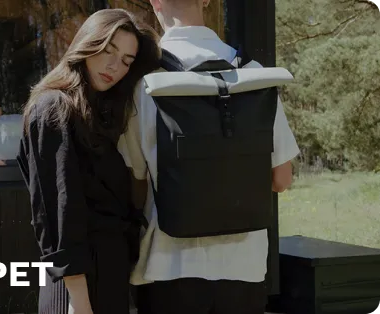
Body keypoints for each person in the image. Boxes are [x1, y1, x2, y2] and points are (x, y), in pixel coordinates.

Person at [122, 1, 300, 313]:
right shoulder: (253, 74)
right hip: (244, 265)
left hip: (170, 266)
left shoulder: (144, 81)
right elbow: (282, 178)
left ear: (154, 1)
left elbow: (135, 179)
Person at [16, 8, 160, 314]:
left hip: (108, 276)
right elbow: (59, 212)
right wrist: (78, 299)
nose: (113, 66)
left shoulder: (100, 115)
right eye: (107, 50)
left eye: (126, 61)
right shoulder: (53, 108)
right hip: (78, 286)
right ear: (87, 44)